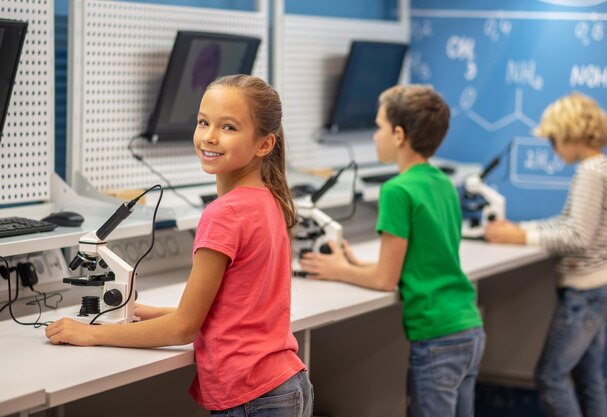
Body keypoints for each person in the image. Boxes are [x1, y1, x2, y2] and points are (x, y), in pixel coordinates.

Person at [45, 75, 313, 416]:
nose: (209, 137)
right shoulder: (270, 200)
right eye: (203, 122)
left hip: (252, 397)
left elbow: (183, 328)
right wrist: (148, 312)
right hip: (286, 384)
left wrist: (90, 334)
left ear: (264, 144)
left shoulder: (224, 214)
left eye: (229, 127)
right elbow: (238, 311)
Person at [300, 84, 485, 417]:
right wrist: (357, 264)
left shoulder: (397, 190)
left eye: (379, 127)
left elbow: (386, 279)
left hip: (437, 336)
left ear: (399, 135)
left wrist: (337, 269)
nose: (374, 136)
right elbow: (426, 254)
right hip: (468, 327)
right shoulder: (442, 181)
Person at [485, 92, 607, 417]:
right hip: (600, 286)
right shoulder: (603, 165)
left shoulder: (590, 172)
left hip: (585, 292)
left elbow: (576, 235)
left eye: (554, 140)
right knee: (588, 378)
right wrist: (520, 229)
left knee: (549, 377)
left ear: (572, 133)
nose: (553, 149)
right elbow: (569, 221)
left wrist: (521, 237)